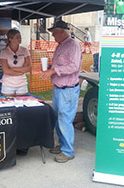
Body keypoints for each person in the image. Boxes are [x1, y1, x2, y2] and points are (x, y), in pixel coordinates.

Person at [39, 20, 82, 163]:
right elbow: (60, 65)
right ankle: (63, 145)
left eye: (54, 33)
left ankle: (68, 151)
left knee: (65, 120)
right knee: (58, 119)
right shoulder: (60, 45)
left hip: (67, 90)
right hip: (58, 88)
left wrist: (53, 70)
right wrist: (50, 68)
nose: (52, 36)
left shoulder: (73, 45)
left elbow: (74, 67)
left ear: (62, 32)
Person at [0, 29, 31, 96]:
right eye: (17, 37)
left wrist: (12, 68)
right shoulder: (4, 52)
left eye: (20, 37)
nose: (20, 39)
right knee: (8, 105)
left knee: (22, 104)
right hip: (8, 84)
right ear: (10, 39)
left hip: (22, 83)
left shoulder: (24, 50)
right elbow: (6, 71)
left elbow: (29, 68)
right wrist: (22, 71)